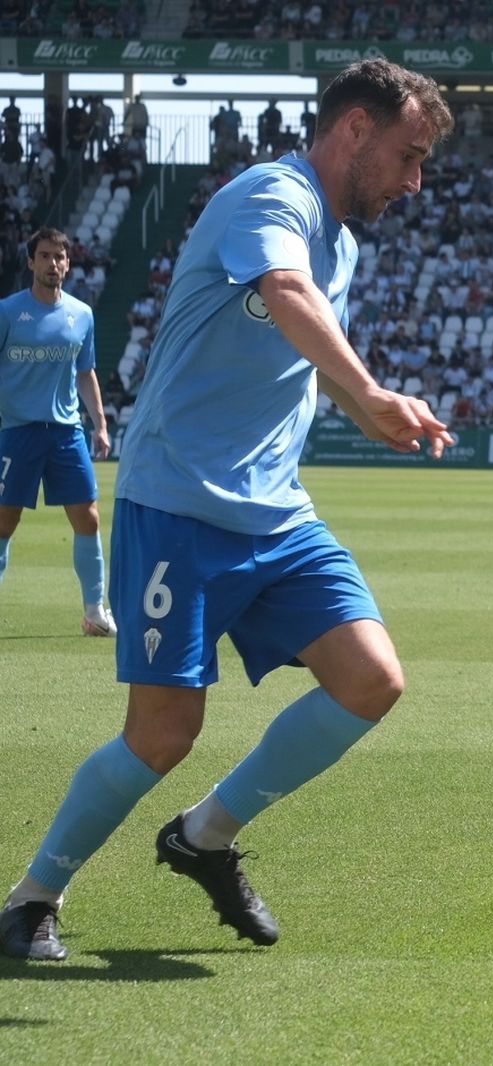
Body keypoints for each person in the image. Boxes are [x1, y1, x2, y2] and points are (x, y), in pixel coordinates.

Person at [0, 58, 456, 963]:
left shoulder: (347, 241)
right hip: (179, 506)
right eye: (409, 156)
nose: (415, 181)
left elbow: (293, 348)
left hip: (279, 514)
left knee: (372, 681)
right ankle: (31, 899)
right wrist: (369, 397)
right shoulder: (268, 196)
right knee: (164, 733)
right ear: (355, 129)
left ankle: (204, 835)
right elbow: (284, 295)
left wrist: (347, 402)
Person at [0, 226, 116, 637]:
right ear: (30, 261)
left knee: (88, 518)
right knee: (4, 522)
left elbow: (85, 373)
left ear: (69, 263)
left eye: (60, 257)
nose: (53, 263)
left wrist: (100, 424)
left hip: (66, 433)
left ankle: (94, 611)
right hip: (18, 431)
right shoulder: (8, 312)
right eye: (45, 256)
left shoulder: (81, 314)